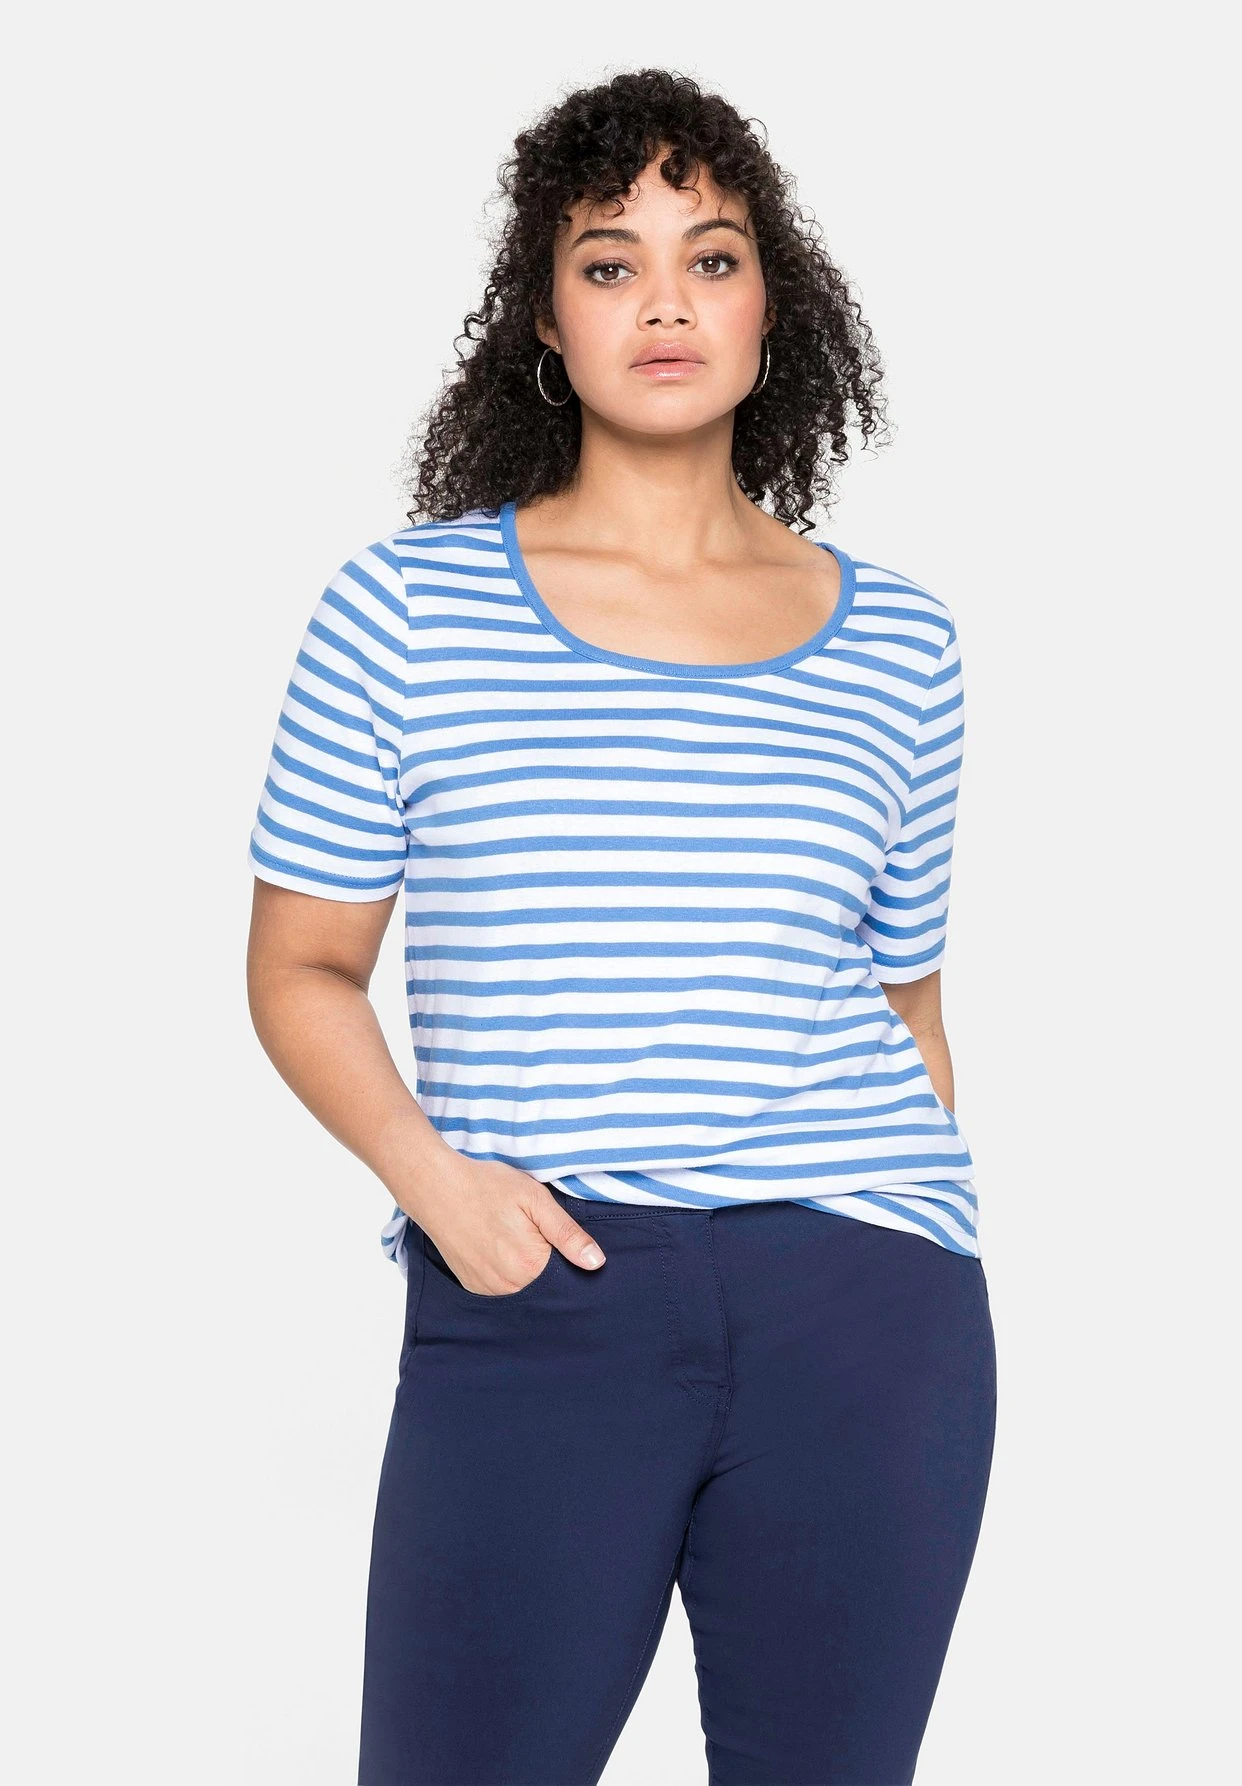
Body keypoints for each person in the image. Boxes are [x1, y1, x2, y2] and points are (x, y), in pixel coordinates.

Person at [245, 67, 997, 1786]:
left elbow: (908, 997)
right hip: (538, 1285)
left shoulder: (900, 642)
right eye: (609, 261)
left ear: (770, 306)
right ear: (544, 315)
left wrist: (913, 1236)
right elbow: (301, 966)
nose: (664, 301)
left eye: (709, 258)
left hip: (861, 1305)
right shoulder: (404, 608)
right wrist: (442, 1190)